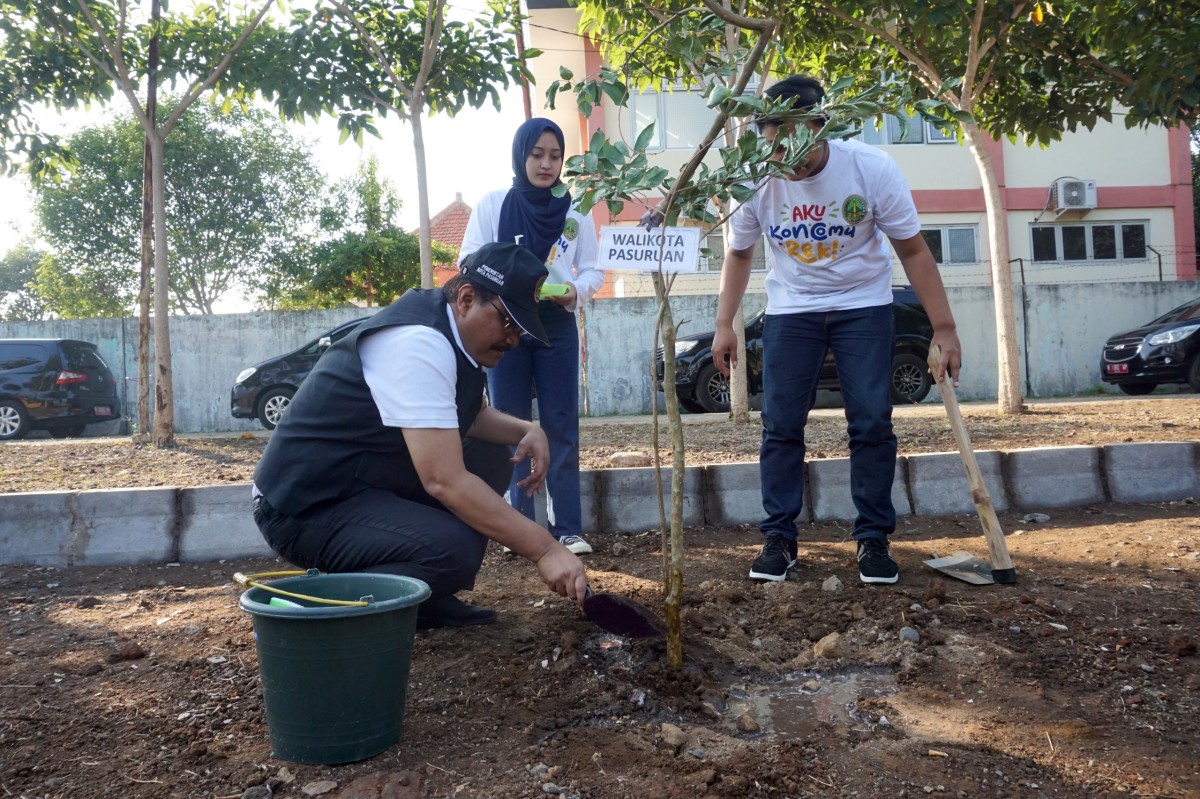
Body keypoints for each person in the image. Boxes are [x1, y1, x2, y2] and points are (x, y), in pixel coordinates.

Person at [251, 242, 589, 629]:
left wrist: (528, 429)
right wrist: (545, 549)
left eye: (520, 328)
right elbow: (444, 480)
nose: (513, 340)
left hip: (357, 481)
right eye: (508, 322)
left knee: (489, 455)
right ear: (466, 299)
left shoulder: (450, 332)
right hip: (302, 505)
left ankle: (422, 597)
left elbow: (470, 418)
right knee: (451, 550)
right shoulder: (418, 343)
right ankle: (324, 606)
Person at [711, 75, 962, 585]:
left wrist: (945, 327)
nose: (786, 156)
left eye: (796, 140)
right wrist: (723, 324)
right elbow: (738, 253)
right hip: (792, 311)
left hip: (862, 306)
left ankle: (873, 537)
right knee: (781, 424)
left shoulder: (870, 168)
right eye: (774, 143)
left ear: (821, 126)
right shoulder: (757, 178)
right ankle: (779, 537)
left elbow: (913, 250)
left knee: (871, 422)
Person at [458, 118, 604, 556]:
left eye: (555, 156)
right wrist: (505, 283)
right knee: (510, 422)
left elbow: (593, 270)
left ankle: (568, 529)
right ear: (521, 156)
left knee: (561, 423)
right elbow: (468, 260)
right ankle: (517, 527)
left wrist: (574, 291)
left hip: (556, 323)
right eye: (537, 154)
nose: (546, 164)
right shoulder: (494, 204)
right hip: (505, 324)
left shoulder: (576, 209)